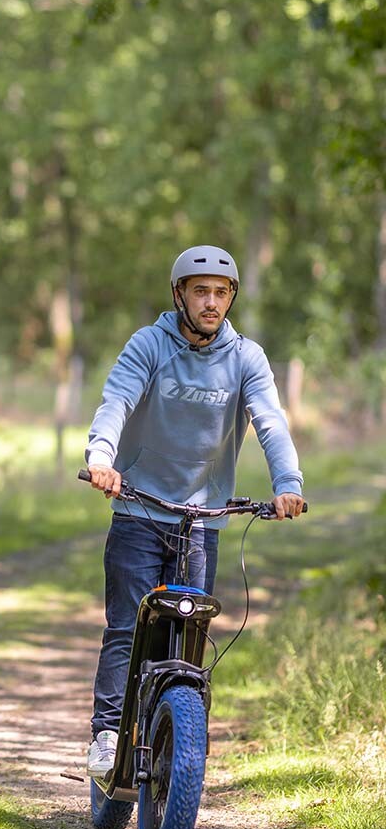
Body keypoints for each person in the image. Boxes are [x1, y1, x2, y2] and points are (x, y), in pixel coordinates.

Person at [83, 245, 305, 780]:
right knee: (126, 630)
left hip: (202, 524)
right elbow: (116, 401)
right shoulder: (149, 345)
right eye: (200, 291)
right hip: (138, 510)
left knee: (191, 634)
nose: (211, 302)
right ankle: (108, 734)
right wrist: (101, 457)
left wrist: (287, 483)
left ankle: (181, 747)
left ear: (231, 298)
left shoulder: (246, 357)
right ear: (179, 294)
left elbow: (270, 421)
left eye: (221, 293)